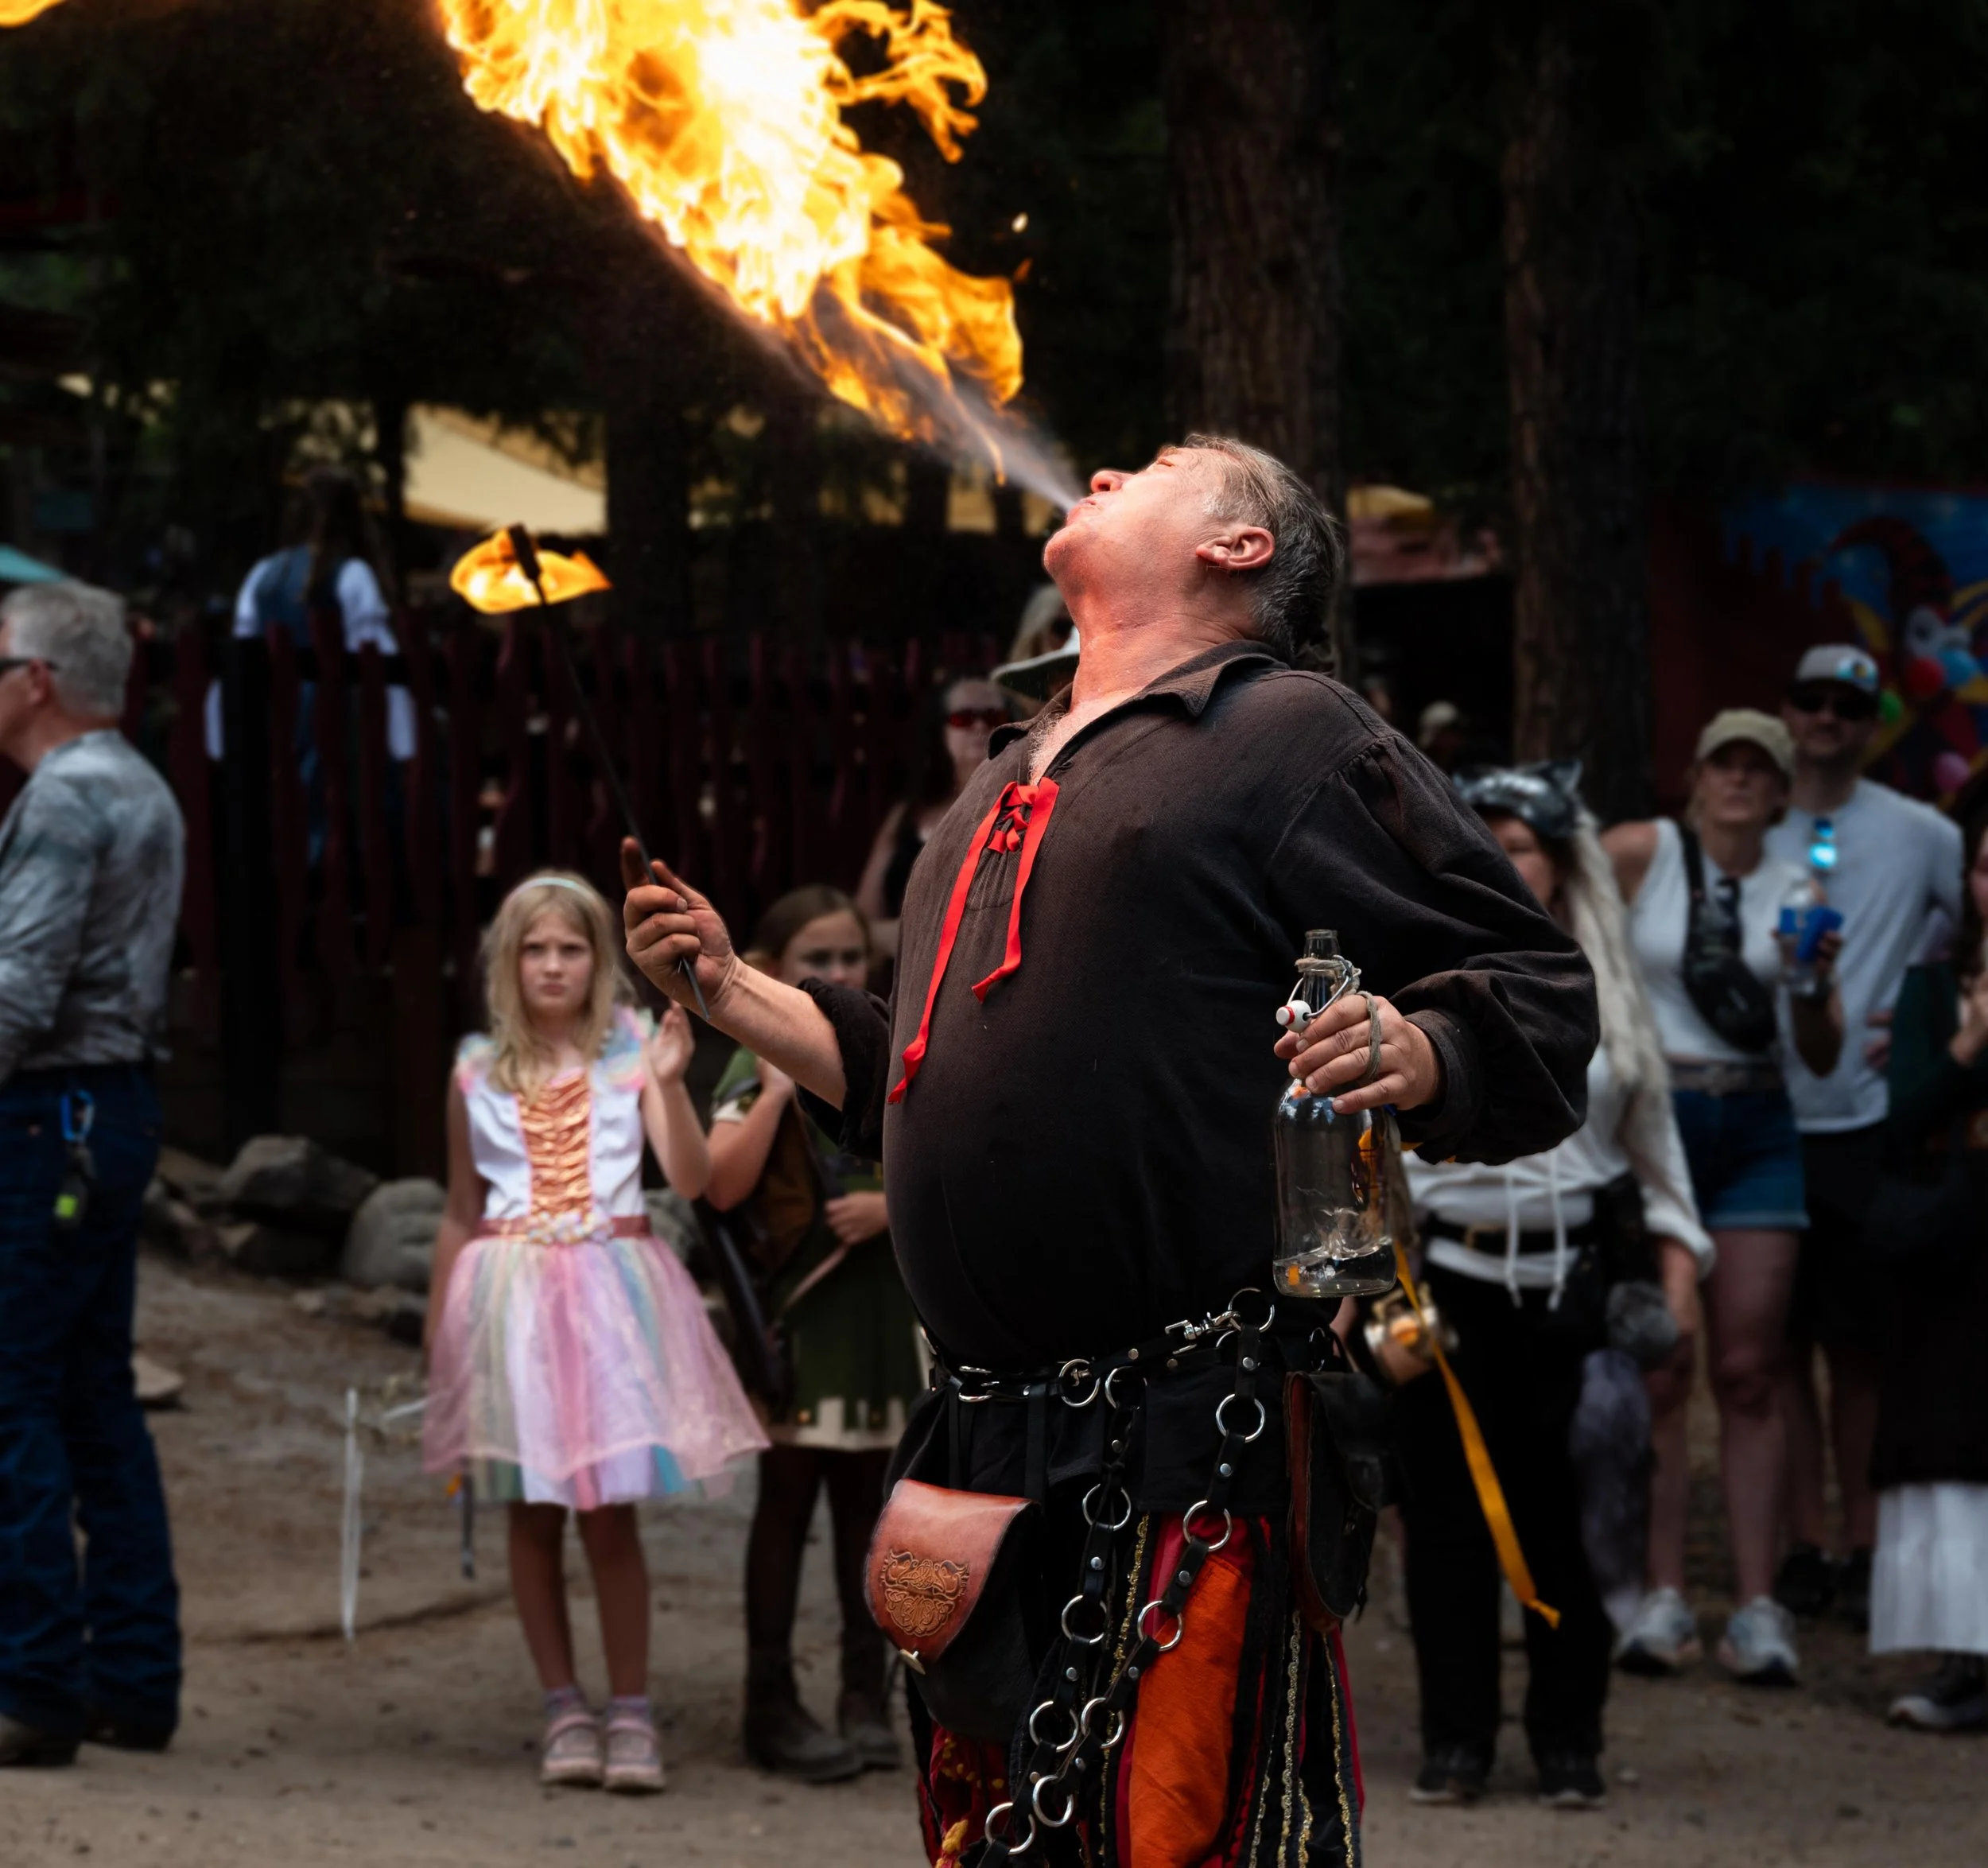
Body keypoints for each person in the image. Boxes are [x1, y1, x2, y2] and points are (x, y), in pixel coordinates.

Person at [624, 433, 1598, 1868]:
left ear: (1239, 546)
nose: (1095, 479)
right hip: (984, 1439)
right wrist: (734, 992)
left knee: (1168, 1835)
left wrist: (1423, 1045)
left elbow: (1538, 987)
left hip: (1187, 1435)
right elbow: (919, 1072)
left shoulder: (1289, 734)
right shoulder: (1000, 779)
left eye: (1148, 467)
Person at [1396, 762, 1712, 1808]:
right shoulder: (1421, 973)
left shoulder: (1610, 991)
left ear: (1561, 859)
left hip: (1575, 1287)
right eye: (1483, 841)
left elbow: (1659, 1161)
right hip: (1444, 1285)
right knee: (1444, 1523)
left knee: (1571, 1517)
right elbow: (1364, 1155)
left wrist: (1680, 1283)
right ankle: (1456, 1742)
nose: (1503, 858)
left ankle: (1569, 1740)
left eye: (1520, 843)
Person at [421, 872, 765, 1794]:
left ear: (597, 959)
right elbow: (461, 1211)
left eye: (570, 948)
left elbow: (690, 1181)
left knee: (608, 1515)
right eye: (534, 949)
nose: (552, 964)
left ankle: (630, 1709)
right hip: (512, 1307)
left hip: (611, 1304)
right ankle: (562, 1705)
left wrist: (669, 1084)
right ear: (508, 960)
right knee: (530, 1512)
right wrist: (442, 1338)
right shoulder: (474, 1070)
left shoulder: (634, 1053)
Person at [1606, 710, 1844, 1685]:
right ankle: (1658, 1597)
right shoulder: (1641, 853)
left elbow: (1819, 1049)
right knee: (1663, 1365)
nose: (1741, 780)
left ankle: (1757, 1605)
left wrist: (1809, 982)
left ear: (1783, 791)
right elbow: (1565, 933)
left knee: (1751, 1367)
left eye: (1761, 768)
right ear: (1696, 777)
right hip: (1659, 1126)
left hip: (1755, 1125)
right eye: (1724, 763)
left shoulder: (1800, 888)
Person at [0, 582, 187, 1767]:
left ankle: (32, 1685)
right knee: (93, 1393)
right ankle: (131, 1673)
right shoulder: (142, 786)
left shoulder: (64, 799)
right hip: (109, 1110)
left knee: (11, 1391)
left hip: (43, 1119)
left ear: (37, 681)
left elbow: (16, 989)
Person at [1765, 645, 1963, 1631]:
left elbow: (1966, 936)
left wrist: (1928, 1021)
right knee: (1774, 1348)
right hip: (1766, 1114)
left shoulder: (1922, 833)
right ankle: (1803, 1541)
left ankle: (1866, 1544)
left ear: (1873, 717)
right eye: (1813, 701)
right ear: (1787, 712)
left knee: (1861, 1351)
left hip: (1870, 1120)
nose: (1829, 719)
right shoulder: (1750, 822)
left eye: (1850, 704)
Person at [705, 887, 924, 1783]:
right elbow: (719, 1187)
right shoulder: (753, 1059)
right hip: (803, 1317)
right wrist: (773, 1085)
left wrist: (887, 1207)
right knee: (788, 1503)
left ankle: (863, 1699)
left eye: (847, 959)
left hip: (883, 1315)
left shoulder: (890, 1040)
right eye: (816, 961)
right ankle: (768, 1704)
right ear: (767, 963)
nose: (836, 976)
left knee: (874, 1515)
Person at [1867, 808, 1988, 1731]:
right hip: (1953, 1252)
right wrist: (1966, 1046)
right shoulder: (1932, 989)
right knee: (1951, 1443)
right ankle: (1963, 1658)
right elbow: (1899, 1117)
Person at [202, 465, 417, 766]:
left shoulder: (263, 573)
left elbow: (239, 654)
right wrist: (403, 746)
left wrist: (220, 742)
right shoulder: (353, 575)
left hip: (270, 734)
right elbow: (376, 660)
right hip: (334, 742)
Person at [854, 677, 1011, 960]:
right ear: (940, 731)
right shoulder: (909, 813)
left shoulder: (1023, 802)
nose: (979, 727)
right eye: (963, 718)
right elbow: (862, 922)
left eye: (993, 717)